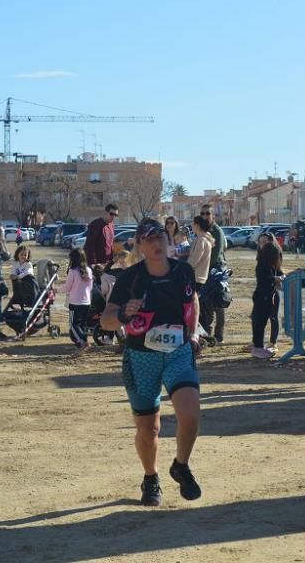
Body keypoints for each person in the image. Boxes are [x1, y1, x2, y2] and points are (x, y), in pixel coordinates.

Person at [102, 218, 202, 507]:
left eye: (160, 237)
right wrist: (122, 314)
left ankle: (181, 465)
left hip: (178, 353)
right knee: (149, 428)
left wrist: (193, 333)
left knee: (190, 414)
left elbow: (192, 300)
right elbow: (106, 321)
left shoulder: (183, 271)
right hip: (141, 357)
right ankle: (150, 477)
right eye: (149, 240)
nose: (157, 244)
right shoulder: (130, 279)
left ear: (168, 240)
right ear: (140, 246)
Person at [198, 204, 227, 343]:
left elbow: (216, 254)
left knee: (219, 303)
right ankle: (207, 334)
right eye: (202, 213)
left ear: (212, 215)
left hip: (216, 272)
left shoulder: (216, 231)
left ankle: (218, 334)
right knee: (206, 304)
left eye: (207, 213)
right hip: (207, 271)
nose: (204, 216)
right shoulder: (204, 230)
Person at [251, 242, 284, 359]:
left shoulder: (270, 266)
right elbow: (265, 279)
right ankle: (257, 348)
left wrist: (280, 277)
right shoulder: (262, 265)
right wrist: (276, 279)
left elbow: (279, 274)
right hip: (262, 298)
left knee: (261, 323)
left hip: (265, 297)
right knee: (259, 323)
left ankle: (258, 347)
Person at [60, 249, 93, 350]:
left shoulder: (73, 271)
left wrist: (56, 289)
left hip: (75, 302)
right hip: (87, 302)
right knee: (82, 325)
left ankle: (83, 342)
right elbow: (90, 287)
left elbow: (67, 287)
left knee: (74, 325)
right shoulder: (89, 270)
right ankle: (82, 342)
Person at [84, 203, 119, 268]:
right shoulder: (95, 224)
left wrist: (111, 262)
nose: (113, 216)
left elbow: (110, 245)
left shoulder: (111, 226)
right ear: (106, 212)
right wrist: (92, 263)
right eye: (111, 214)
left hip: (107, 264)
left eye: (115, 215)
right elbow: (89, 245)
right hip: (96, 265)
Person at [187, 215, 215, 291]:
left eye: (192, 224)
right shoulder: (201, 239)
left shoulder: (201, 240)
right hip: (199, 277)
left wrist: (183, 267)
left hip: (197, 278)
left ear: (197, 226)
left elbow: (194, 260)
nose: (191, 226)